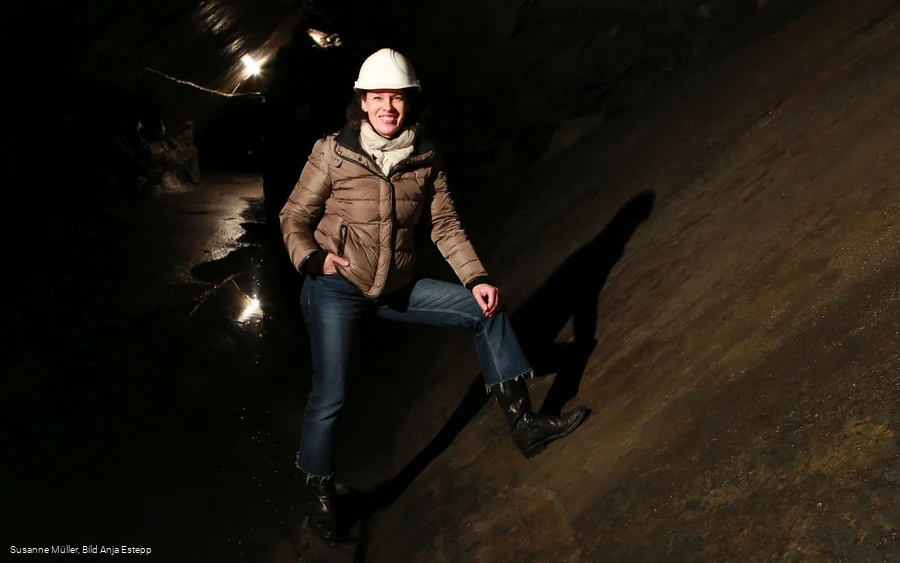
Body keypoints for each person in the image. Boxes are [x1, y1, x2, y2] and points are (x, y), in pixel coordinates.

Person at [279, 48, 587, 541]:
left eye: (396, 99)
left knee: (485, 310)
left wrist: (476, 278)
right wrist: (313, 259)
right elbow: (293, 217)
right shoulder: (331, 152)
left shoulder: (425, 156)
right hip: (336, 287)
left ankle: (525, 424)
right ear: (361, 102)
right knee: (330, 395)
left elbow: (444, 226)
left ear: (409, 103)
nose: (387, 108)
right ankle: (321, 498)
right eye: (377, 98)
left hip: (397, 287)